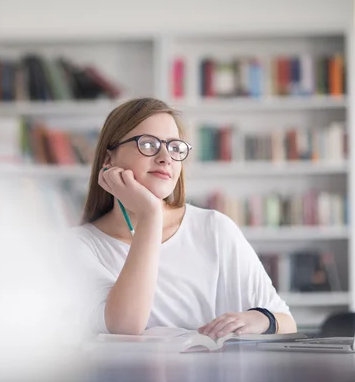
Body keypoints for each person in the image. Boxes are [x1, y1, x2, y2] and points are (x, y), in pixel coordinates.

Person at [66, 97, 297, 338]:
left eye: (174, 147)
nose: (165, 157)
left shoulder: (214, 229)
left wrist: (259, 318)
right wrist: (149, 215)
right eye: (147, 144)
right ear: (108, 159)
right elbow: (125, 326)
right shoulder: (76, 245)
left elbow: (287, 321)